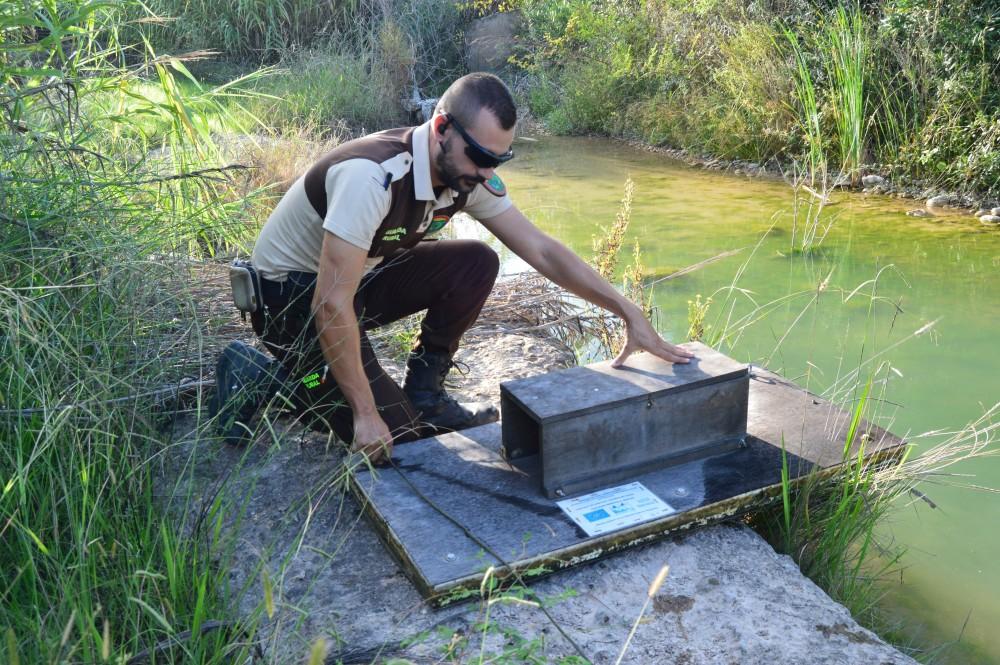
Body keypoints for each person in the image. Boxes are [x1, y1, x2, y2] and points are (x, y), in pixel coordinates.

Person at [210, 72, 694, 464]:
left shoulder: (465, 174)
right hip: (290, 301)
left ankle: (425, 392)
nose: (488, 173)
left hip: (356, 282)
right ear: (442, 128)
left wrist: (627, 311)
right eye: (482, 157)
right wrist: (363, 412)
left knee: (476, 262)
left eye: (499, 159)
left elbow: (542, 250)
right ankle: (269, 378)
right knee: (396, 436)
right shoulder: (372, 177)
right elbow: (329, 302)